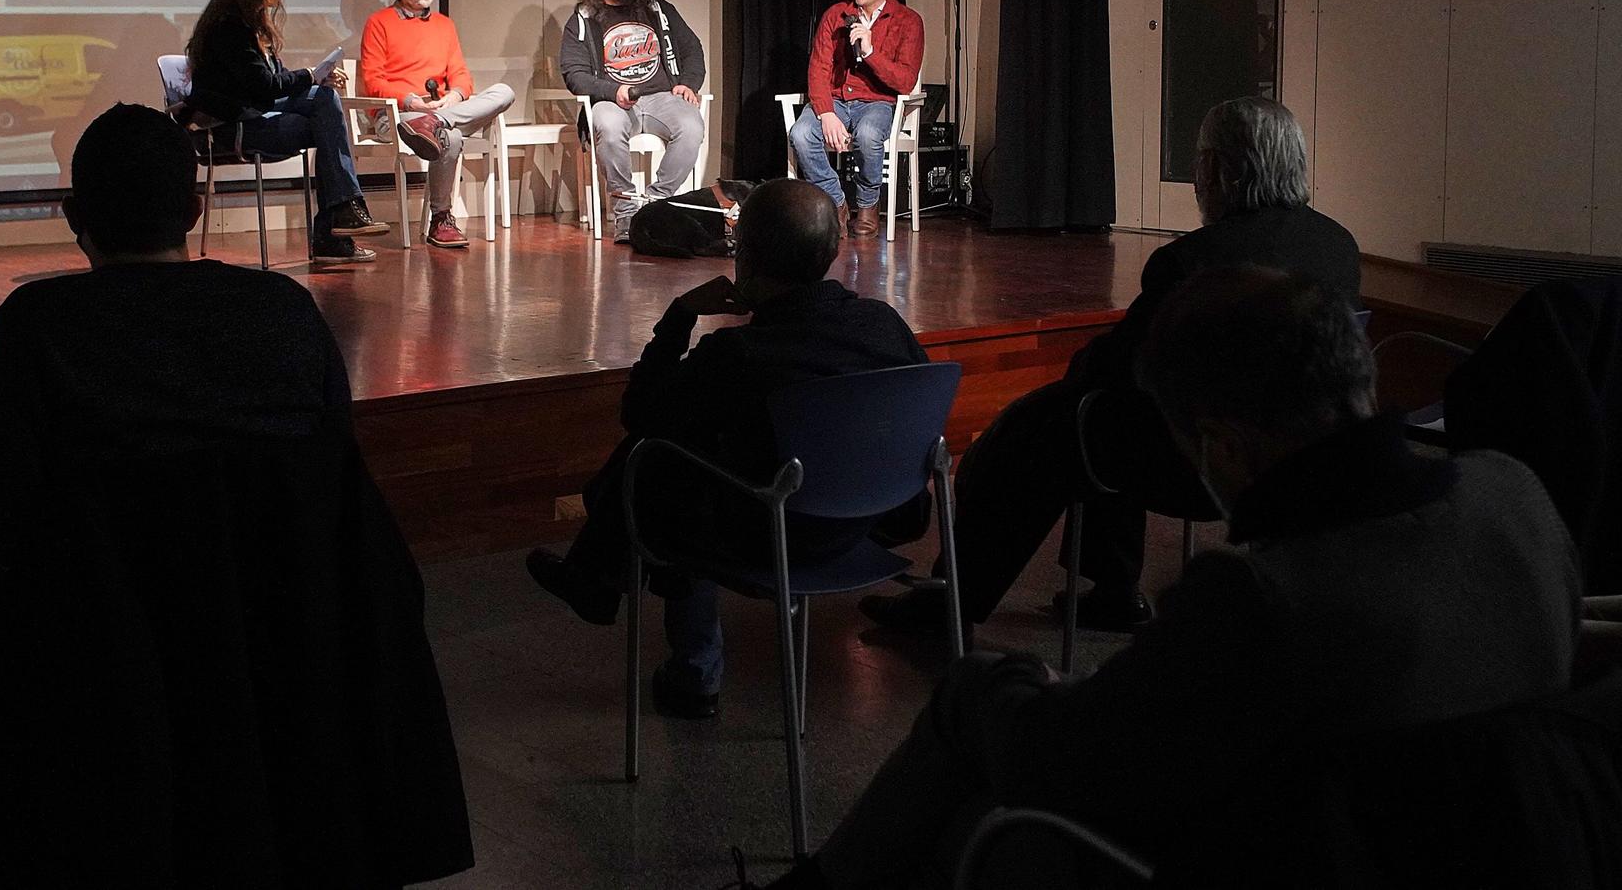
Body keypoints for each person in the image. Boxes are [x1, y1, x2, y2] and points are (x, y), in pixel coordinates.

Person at [773, 266, 1579, 889]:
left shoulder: (1262, 597)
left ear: (1223, 446)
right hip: (1481, 851)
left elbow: (1064, 760)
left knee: (973, 767)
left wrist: (1004, 681)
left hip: (1286, 855)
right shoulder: (1517, 495)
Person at [0, 104, 473, 886]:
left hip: (108, 685)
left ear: (76, 218)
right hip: (291, 657)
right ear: (197, 209)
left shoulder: (41, 327)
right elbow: (339, 492)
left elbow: (11, 521)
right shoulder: (280, 311)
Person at [863, 97, 1360, 636]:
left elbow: (1125, 366)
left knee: (1035, 432)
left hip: (1195, 465)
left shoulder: (1190, 262)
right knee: (1103, 415)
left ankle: (952, 610)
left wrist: (1077, 371)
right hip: (1301, 457)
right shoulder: (1338, 246)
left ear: (1218, 169)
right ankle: (1113, 591)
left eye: (1199, 161)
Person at [527, 179, 926, 717]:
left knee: (663, 457)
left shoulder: (736, 355)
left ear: (745, 256)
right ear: (832, 253)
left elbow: (639, 414)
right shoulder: (883, 325)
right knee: (687, 447)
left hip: (772, 536)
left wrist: (678, 318)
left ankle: (693, 669)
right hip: (867, 521)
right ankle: (595, 577)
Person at [185, 0, 389, 265]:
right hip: (229, 127)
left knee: (325, 102)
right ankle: (335, 226)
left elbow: (274, 80)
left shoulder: (253, 23)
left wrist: (316, 80)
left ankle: (340, 220)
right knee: (324, 120)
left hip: (254, 114)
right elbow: (264, 88)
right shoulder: (229, 28)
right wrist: (310, 75)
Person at [358, 0, 515, 249]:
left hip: (441, 111)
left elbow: (461, 76)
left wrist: (453, 97)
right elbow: (374, 82)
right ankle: (441, 219)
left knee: (503, 92)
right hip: (399, 115)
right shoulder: (379, 23)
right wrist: (411, 101)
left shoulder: (444, 25)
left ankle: (437, 121)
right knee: (451, 139)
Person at [559, 0, 707, 243]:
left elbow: (693, 50)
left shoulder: (659, 11)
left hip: (661, 98)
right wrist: (613, 90)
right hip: (613, 100)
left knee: (692, 125)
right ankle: (626, 213)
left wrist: (688, 84)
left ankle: (654, 205)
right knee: (608, 126)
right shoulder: (583, 19)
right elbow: (575, 75)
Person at [789, 0, 925, 238]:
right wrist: (825, 113)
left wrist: (870, 52)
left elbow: (904, 81)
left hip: (877, 101)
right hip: (836, 101)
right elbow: (818, 69)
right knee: (801, 134)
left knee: (867, 134)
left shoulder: (908, 21)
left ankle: (867, 205)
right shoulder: (836, 15)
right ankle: (836, 203)